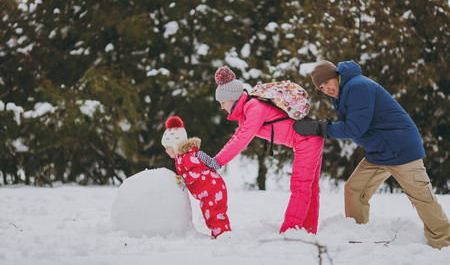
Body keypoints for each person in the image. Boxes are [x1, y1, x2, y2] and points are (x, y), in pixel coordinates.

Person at [293, 60, 450, 249]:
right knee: (354, 190)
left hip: (400, 148)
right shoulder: (342, 92)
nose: (325, 88)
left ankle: (445, 243)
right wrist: (319, 127)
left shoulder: (357, 86)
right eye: (321, 86)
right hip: (380, 150)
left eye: (327, 82)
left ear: (337, 77)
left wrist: (318, 128)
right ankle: (358, 235)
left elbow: (355, 127)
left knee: (421, 197)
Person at [196, 66, 324, 234]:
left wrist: (216, 162)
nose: (222, 107)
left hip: (307, 139)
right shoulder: (248, 110)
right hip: (309, 138)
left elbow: (242, 140)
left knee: (301, 186)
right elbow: (237, 137)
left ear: (232, 98)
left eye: (222, 103)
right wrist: (216, 160)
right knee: (309, 187)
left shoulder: (254, 107)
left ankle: (291, 232)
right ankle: (307, 231)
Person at [161, 116, 231, 238]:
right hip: (207, 192)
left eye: (167, 147)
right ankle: (220, 235)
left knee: (215, 214)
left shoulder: (186, 157)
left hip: (212, 189)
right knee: (209, 213)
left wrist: (184, 179)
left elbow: (196, 171)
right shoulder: (181, 157)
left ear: (175, 145)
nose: (166, 151)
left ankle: (223, 236)